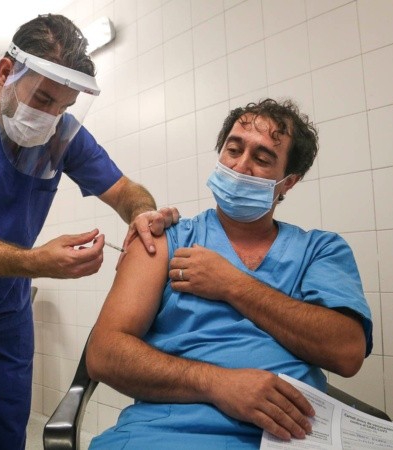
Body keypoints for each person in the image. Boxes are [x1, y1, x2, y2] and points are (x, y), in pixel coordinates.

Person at [0, 14, 178, 450]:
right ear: (6, 71)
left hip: (6, 310)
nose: (49, 117)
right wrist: (39, 262)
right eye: (43, 98)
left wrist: (142, 213)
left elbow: (125, 191)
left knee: (5, 432)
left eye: (63, 107)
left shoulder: (60, 135)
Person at [86, 99, 373, 449]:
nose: (240, 166)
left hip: (288, 435)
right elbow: (104, 353)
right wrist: (217, 383)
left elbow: (346, 352)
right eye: (233, 150)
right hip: (165, 433)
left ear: (289, 182)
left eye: (262, 159)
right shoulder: (164, 238)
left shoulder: (319, 250)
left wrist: (232, 284)